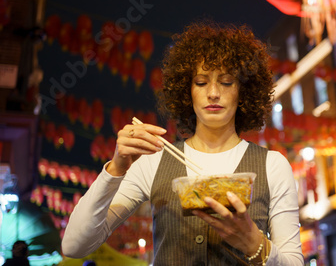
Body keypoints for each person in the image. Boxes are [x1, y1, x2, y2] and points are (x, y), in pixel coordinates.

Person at [62, 21, 304, 265]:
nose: (213, 93)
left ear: (243, 92)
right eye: (201, 82)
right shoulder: (153, 163)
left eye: (227, 82)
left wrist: (253, 242)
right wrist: (115, 169)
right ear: (187, 91)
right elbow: (74, 245)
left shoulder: (272, 166)